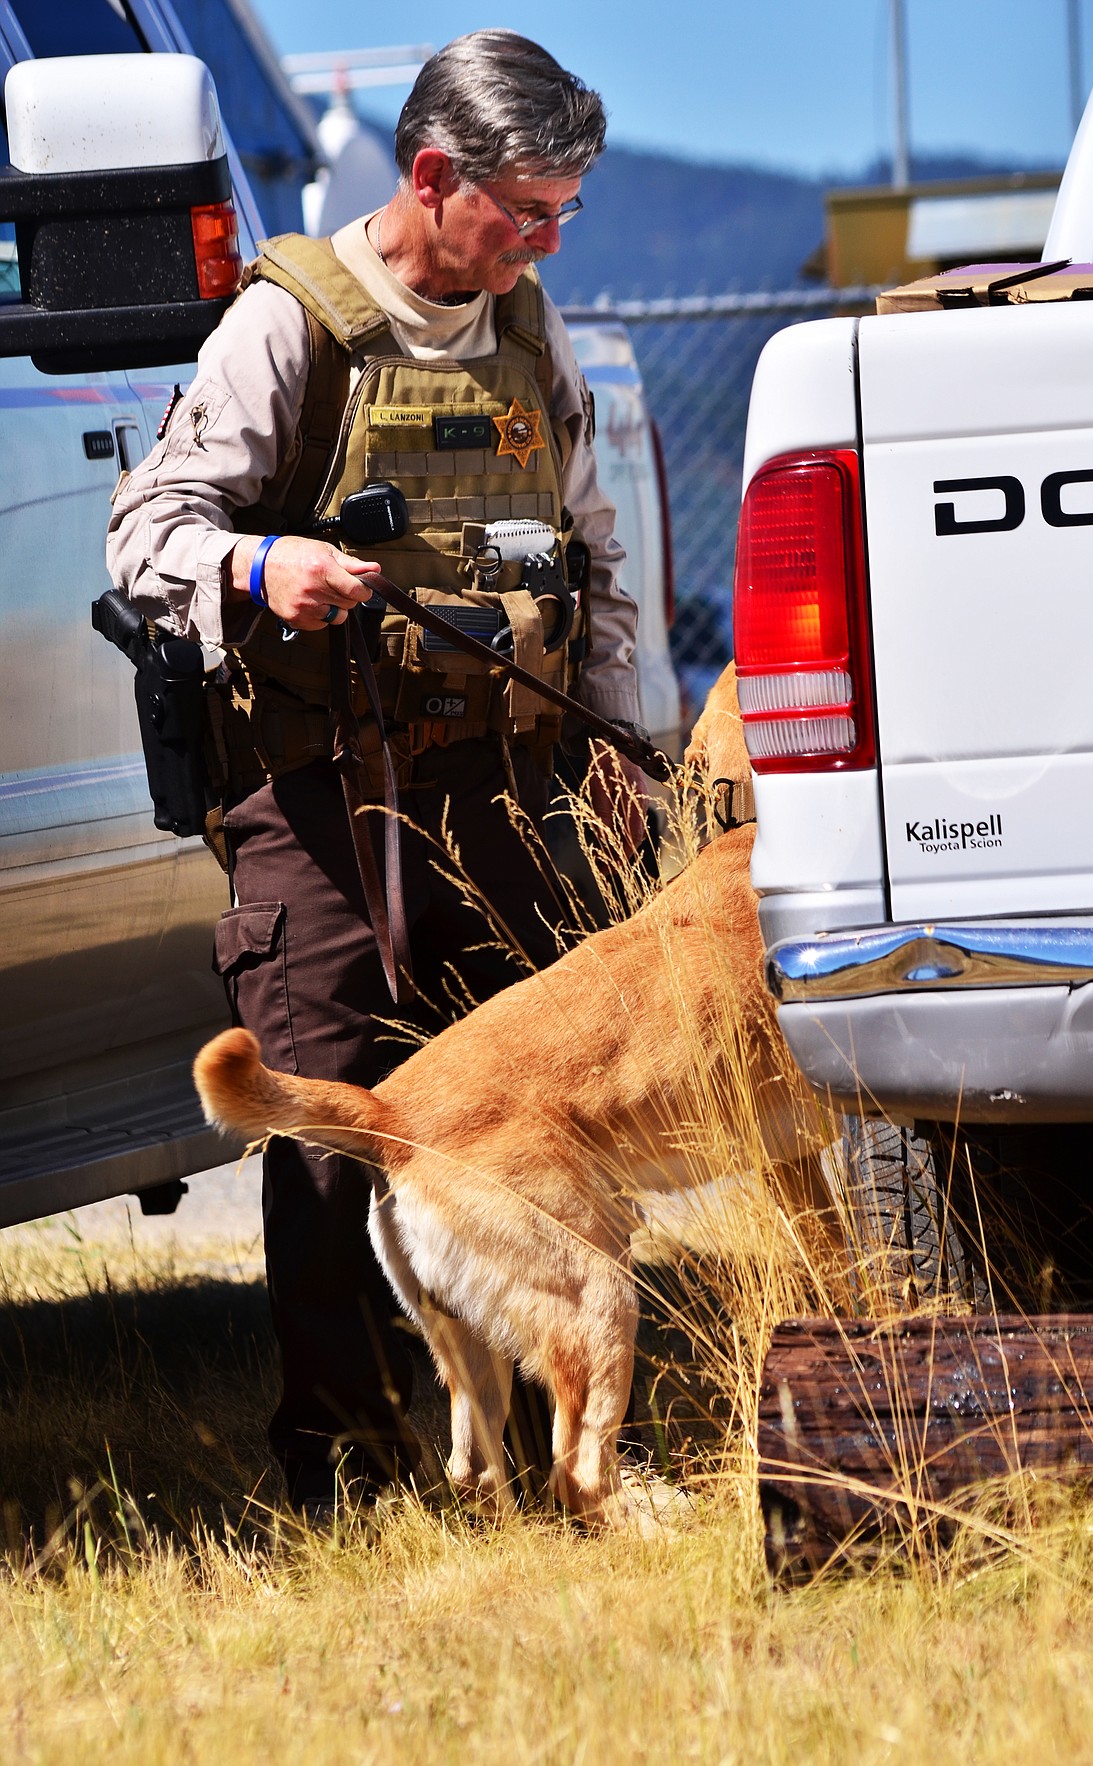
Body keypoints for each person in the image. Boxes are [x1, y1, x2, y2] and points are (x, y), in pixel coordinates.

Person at [106, 30, 646, 1512]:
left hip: (511, 795)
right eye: (527, 210)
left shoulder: (530, 335)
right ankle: (346, 1464)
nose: (543, 242)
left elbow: (593, 565)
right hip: (323, 806)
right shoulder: (295, 327)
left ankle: (548, 1442)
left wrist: (621, 762)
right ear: (430, 174)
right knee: (332, 1129)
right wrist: (257, 561)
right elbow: (144, 532)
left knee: (536, 1125)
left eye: (563, 215)